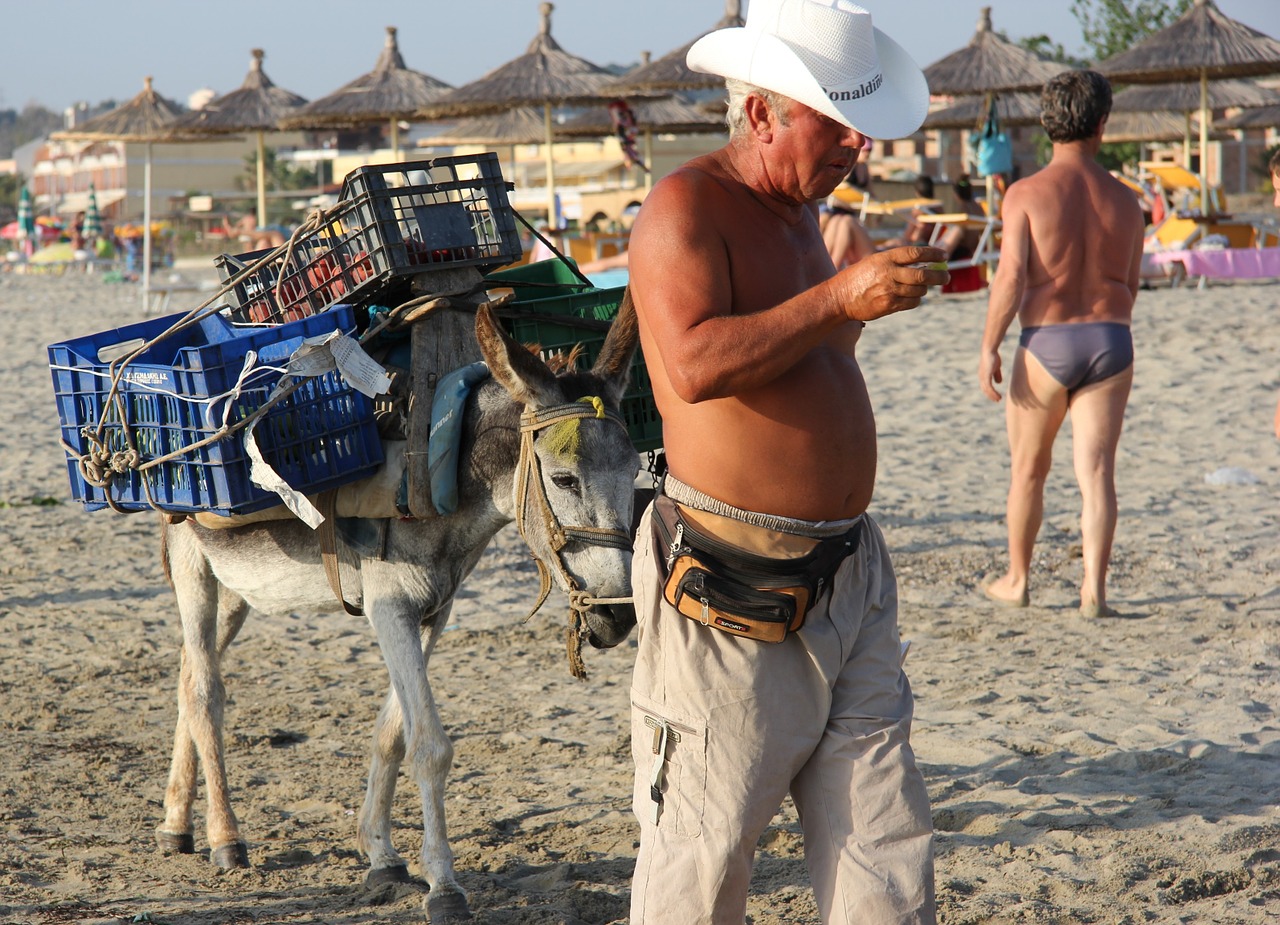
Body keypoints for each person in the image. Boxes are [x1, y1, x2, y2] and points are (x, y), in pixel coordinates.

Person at [624, 1, 948, 922]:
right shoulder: (685, 208)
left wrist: (857, 303)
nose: (858, 141)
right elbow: (691, 366)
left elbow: (804, 364)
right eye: (834, 119)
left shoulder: (802, 215)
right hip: (733, 589)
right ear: (762, 113)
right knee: (704, 852)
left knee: (885, 846)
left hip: (848, 575)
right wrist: (838, 296)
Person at [977, 69, 1145, 619]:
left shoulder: (1026, 194)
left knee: (1028, 470)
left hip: (1045, 341)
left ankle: (1017, 579)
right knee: (1097, 473)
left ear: (1048, 124)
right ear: (1102, 124)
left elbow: (1011, 278)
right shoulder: (1127, 202)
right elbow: (1132, 285)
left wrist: (989, 345)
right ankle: (1094, 592)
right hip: (1110, 341)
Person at [820, 150, 877, 267]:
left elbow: (872, 194)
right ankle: (826, 264)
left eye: (870, 151)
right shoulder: (849, 165)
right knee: (831, 220)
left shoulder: (864, 169)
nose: (867, 154)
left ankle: (830, 268)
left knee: (844, 221)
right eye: (865, 150)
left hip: (850, 211)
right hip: (835, 208)